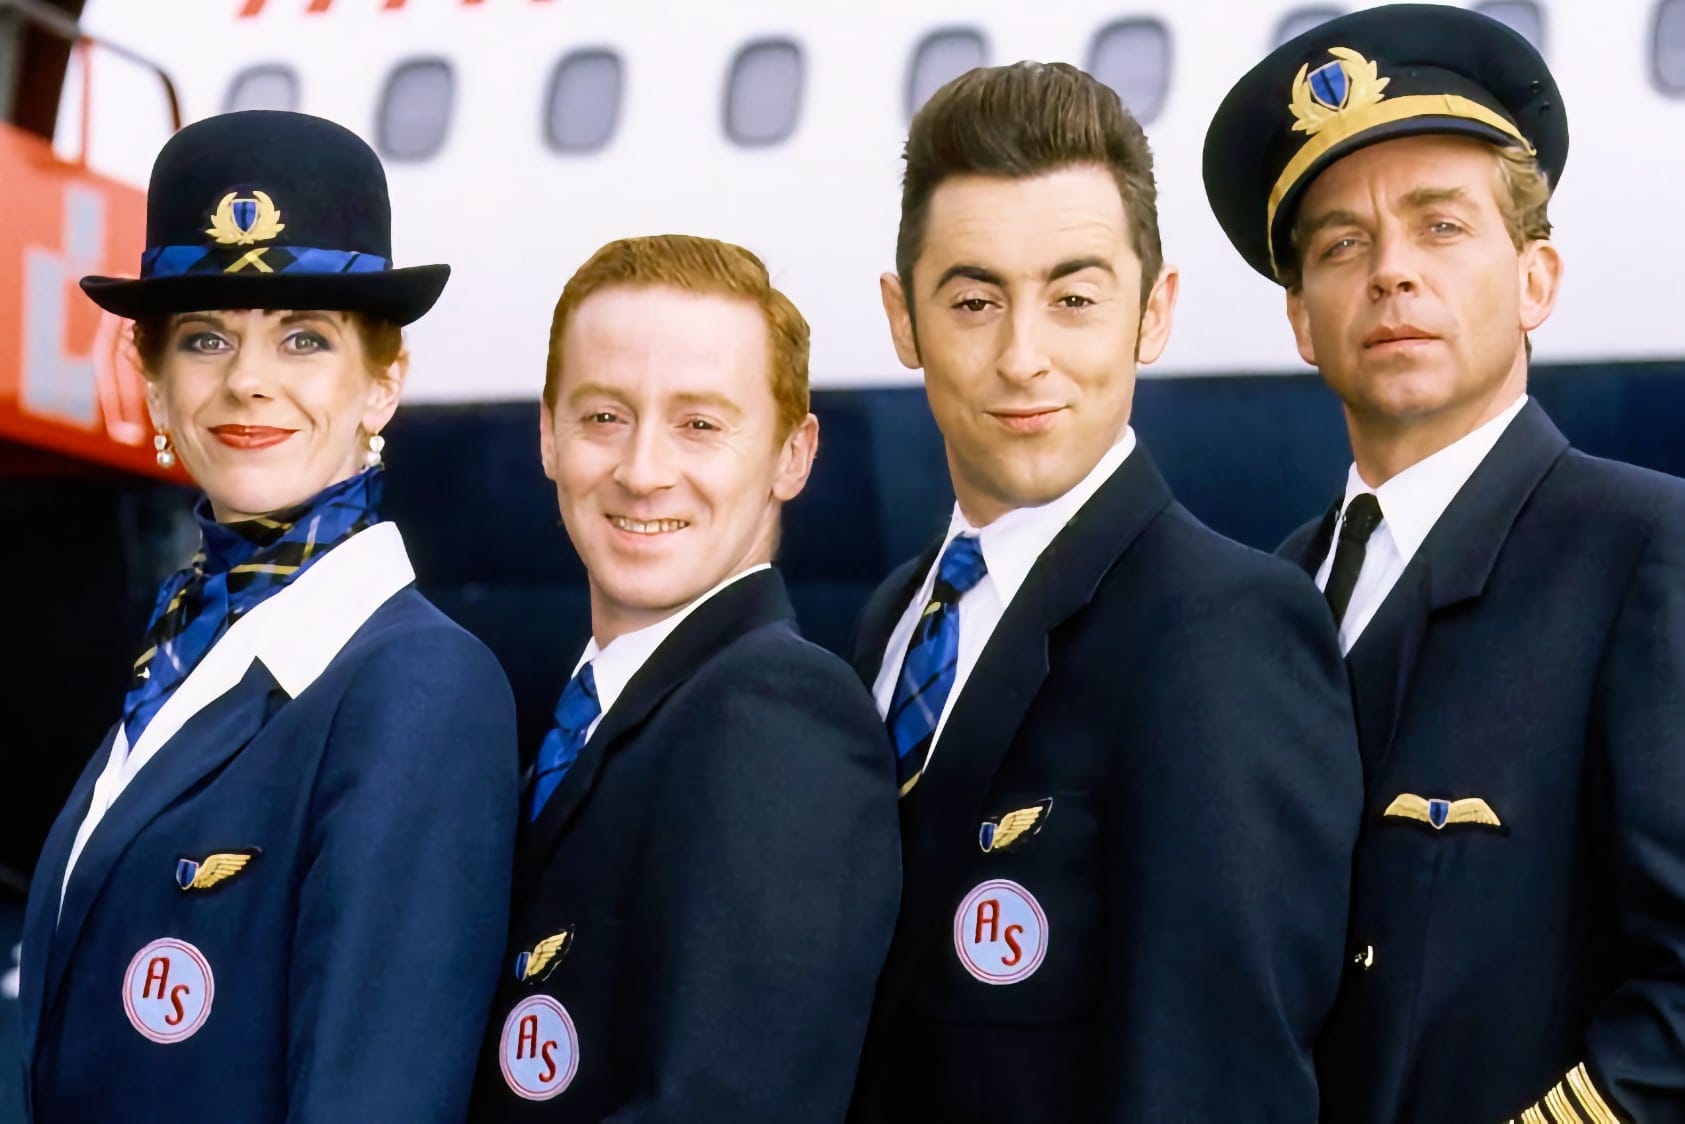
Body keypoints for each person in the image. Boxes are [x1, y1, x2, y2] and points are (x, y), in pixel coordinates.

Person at [846, 61, 1362, 1122]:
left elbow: (1220, 1080)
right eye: (973, 299)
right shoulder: (893, 621)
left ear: (1152, 311)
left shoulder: (1222, 629)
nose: (1022, 357)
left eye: (1074, 298)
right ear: (903, 321)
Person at [1203, 6, 1685, 1121]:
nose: (1388, 276)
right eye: (1340, 245)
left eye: (1439, 227)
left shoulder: (1644, 554)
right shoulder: (1260, 601)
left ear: (1534, 281)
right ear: (1299, 323)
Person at [15, 110, 518, 1124]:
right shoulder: (184, 653)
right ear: (149, 378)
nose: (249, 379)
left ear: (383, 382)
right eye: (206, 338)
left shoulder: (416, 683)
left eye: (303, 337)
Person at [468, 233, 899, 1122]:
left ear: (793, 454)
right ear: (547, 435)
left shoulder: (778, 716)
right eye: (603, 417)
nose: (641, 471)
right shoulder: (611, 714)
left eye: (699, 424)